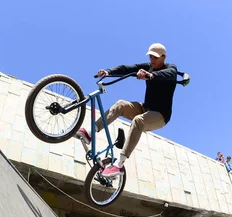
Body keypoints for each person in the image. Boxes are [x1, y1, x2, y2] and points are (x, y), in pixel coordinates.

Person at [76, 43, 179, 177]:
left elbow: (169, 74)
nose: (152, 60)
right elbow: (127, 69)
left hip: (160, 115)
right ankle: (91, 133)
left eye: (155, 57)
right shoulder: (148, 66)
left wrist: (150, 75)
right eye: (150, 57)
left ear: (163, 57)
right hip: (144, 108)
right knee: (120, 104)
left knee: (138, 121)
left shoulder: (171, 69)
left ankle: (119, 164)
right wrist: (109, 72)